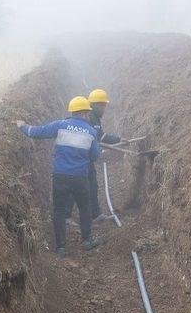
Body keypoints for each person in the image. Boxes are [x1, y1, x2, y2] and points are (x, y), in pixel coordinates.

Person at [16, 96, 100, 257]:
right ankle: (87, 241)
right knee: (84, 207)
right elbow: (95, 156)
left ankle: (61, 247)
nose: (89, 115)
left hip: (60, 176)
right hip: (80, 178)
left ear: (73, 112)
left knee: (59, 211)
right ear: (83, 113)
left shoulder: (60, 125)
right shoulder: (91, 132)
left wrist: (22, 126)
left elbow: (36, 132)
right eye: (88, 113)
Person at [65, 89, 121, 225]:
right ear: (94, 105)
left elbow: (99, 137)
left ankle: (95, 214)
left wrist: (118, 140)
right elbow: (100, 137)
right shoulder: (91, 118)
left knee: (92, 185)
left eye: (104, 105)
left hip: (83, 156)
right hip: (80, 157)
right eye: (102, 105)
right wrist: (118, 139)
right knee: (77, 185)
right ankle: (66, 216)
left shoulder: (93, 117)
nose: (104, 109)